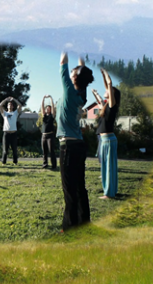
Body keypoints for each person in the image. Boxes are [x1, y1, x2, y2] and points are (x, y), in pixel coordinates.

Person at [57, 52, 94, 231]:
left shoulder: (71, 91)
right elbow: (81, 70)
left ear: (74, 77)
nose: (70, 74)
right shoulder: (82, 94)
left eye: (73, 73)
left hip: (69, 146)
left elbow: (62, 62)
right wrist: (80, 57)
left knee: (69, 189)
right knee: (80, 187)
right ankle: (84, 222)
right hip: (78, 145)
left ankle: (70, 227)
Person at [92, 69, 121, 199]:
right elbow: (104, 90)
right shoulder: (106, 107)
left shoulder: (112, 106)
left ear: (112, 94)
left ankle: (109, 194)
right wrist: (103, 76)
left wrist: (107, 75)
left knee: (108, 167)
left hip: (108, 140)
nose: (106, 90)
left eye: (109, 91)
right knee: (106, 167)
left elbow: (109, 85)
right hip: (105, 140)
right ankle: (111, 191)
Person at [0, 96, 23, 165]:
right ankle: (4, 162)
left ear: (13, 107)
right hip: (6, 133)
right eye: (9, 104)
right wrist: (6, 100)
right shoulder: (5, 113)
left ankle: (15, 162)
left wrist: (14, 99)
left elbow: (20, 105)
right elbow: (0, 106)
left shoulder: (15, 113)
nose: (10, 105)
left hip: (14, 133)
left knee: (14, 150)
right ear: (7, 106)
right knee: (5, 150)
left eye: (11, 104)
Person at [40, 95, 57, 169]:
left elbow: (53, 107)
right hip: (44, 135)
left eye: (49, 109)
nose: (47, 109)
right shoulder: (44, 116)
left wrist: (50, 98)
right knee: (44, 151)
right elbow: (42, 107)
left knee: (51, 150)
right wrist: (43, 98)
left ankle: (54, 165)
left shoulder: (52, 116)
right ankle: (45, 164)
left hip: (50, 135)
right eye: (47, 108)